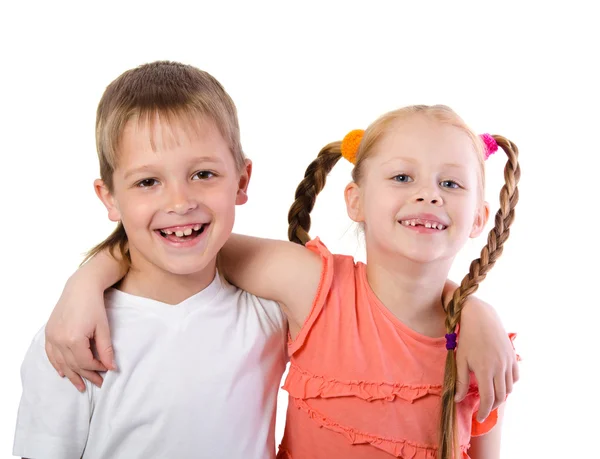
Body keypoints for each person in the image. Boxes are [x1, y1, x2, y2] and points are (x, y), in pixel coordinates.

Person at [36, 65, 519, 458]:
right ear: (354, 200)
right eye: (402, 177)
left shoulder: (481, 349)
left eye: (451, 184)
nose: (428, 196)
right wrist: (85, 279)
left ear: (478, 216)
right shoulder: (310, 287)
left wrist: (475, 311)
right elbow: (182, 244)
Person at [13, 61, 288, 458]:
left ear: (242, 181)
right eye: (148, 182)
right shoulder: (74, 340)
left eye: (204, 174)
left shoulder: (270, 313)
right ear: (109, 197)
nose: (180, 202)